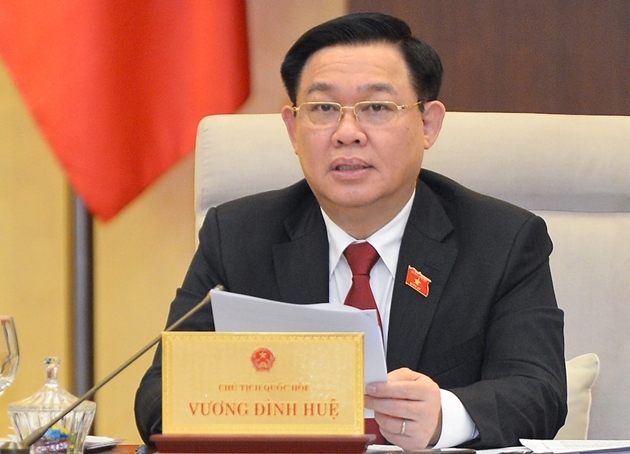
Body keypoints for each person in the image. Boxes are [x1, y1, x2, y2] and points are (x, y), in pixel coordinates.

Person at [134, 12, 567, 450]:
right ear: (293, 129)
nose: (347, 133)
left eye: (376, 108)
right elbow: (159, 396)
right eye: (323, 109)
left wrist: (444, 416)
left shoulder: (502, 241)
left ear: (428, 124)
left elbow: (539, 393)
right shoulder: (237, 236)